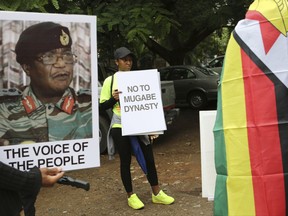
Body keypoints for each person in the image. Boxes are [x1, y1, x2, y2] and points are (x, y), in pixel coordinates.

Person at [100, 47, 174, 210]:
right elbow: (101, 107)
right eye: (124, 59)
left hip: (140, 125)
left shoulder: (139, 78)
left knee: (149, 158)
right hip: (120, 125)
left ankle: (157, 193)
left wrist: (153, 127)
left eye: (130, 59)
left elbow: (148, 104)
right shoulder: (110, 81)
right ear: (116, 62)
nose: (128, 62)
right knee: (125, 161)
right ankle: (131, 196)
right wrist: (113, 99)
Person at [0, 21, 92, 145]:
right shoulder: (4, 112)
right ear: (27, 67)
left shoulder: (90, 107)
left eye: (67, 55)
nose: (61, 64)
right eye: (49, 57)